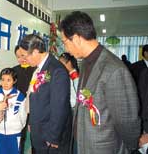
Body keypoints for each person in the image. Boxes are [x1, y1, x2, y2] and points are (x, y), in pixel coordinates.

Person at [60, 11, 141, 154]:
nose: (66, 48)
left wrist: (129, 147)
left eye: (65, 42)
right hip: (84, 143)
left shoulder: (114, 70)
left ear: (77, 39)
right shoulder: (86, 62)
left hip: (104, 147)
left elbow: (127, 121)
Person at [19, 34, 72, 154]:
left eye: (25, 56)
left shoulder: (57, 70)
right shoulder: (40, 68)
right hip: (39, 130)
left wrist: (53, 136)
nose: (23, 60)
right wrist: (33, 122)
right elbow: (37, 97)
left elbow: (60, 107)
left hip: (50, 138)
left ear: (36, 52)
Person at [0, 68, 27, 154]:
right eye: (3, 80)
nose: (5, 83)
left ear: (14, 81)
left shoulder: (20, 96)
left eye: (8, 80)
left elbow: (23, 115)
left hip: (14, 133)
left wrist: (18, 127)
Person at [12, 45, 36, 154]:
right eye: (18, 57)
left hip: (34, 108)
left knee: (35, 137)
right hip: (20, 109)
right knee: (20, 137)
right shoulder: (14, 71)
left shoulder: (36, 69)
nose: (21, 59)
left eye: (23, 55)